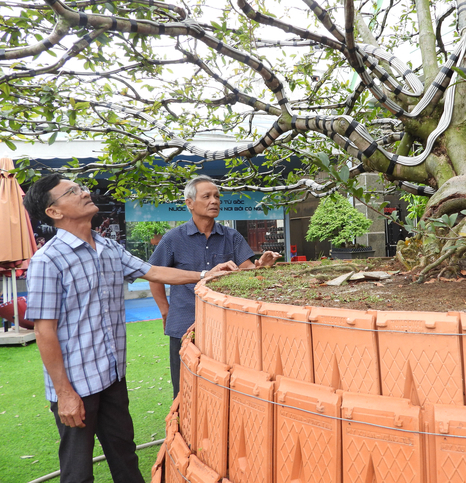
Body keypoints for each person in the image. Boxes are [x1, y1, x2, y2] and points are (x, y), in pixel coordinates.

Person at [23, 174, 233, 483]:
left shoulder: (108, 248)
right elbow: (44, 331)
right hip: (76, 385)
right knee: (77, 471)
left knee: (125, 456)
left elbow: (155, 271)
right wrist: (64, 393)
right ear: (54, 212)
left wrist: (205, 273)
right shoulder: (48, 260)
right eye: (72, 191)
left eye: (82, 187)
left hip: (112, 378)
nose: (85, 192)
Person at [149, 175, 280, 397]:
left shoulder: (232, 236)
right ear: (189, 203)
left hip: (225, 326)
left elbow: (246, 272)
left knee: (223, 388)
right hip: (184, 324)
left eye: (217, 196)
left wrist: (262, 267)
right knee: (184, 388)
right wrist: (165, 311)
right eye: (207, 196)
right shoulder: (173, 238)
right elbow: (154, 275)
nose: (214, 201)